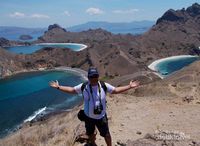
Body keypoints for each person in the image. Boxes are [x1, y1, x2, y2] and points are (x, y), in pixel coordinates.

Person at [49, 67, 140, 146]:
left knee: (107, 135)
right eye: (92, 76)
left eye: (95, 76)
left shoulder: (103, 85)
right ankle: (93, 144)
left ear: (98, 76)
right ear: (88, 77)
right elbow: (72, 90)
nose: (94, 78)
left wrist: (129, 86)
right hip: (88, 117)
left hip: (101, 117)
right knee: (90, 134)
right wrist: (58, 87)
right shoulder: (84, 86)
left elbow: (115, 90)